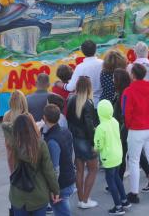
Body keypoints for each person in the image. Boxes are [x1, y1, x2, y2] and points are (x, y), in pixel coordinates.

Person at [123, 63, 149, 204]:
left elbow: (126, 113)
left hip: (136, 130)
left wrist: (129, 126)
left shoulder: (128, 91)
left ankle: (134, 193)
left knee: (134, 161)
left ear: (133, 75)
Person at [8, 114, 60, 216]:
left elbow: (5, 126)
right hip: (38, 193)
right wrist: (55, 190)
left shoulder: (13, 143)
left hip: (18, 194)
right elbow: (48, 170)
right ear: (32, 126)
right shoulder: (40, 144)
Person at [66, 76, 99, 209]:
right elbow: (90, 127)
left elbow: (69, 119)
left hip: (76, 139)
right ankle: (85, 200)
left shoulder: (71, 99)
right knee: (93, 169)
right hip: (86, 140)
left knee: (79, 170)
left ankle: (81, 199)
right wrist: (94, 144)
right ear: (88, 87)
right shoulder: (88, 103)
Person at [93, 100, 127, 215]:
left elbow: (98, 146)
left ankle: (118, 207)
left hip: (109, 158)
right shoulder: (114, 121)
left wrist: (94, 149)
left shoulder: (100, 128)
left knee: (110, 181)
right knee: (117, 177)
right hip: (118, 155)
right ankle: (124, 200)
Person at [41, 104, 76, 216]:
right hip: (69, 178)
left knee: (62, 212)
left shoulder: (52, 141)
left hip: (61, 185)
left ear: (45, 118)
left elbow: (55, 168)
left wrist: (53, 190)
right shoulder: (65, 131)